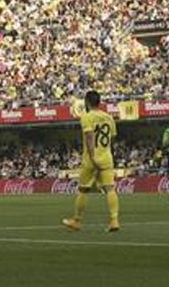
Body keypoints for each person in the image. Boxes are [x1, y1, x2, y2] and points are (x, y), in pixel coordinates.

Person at [62, 90, 120, 232]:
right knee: (110, 189)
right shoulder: (108, 117)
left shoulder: (86, 117)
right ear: (99, 102)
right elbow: (112, 137)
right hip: (106, 156)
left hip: (91, 158)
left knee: (83, 190)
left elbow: (89, 137)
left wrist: (93, 156)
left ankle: (76, 221)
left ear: (87, 102)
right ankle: (114, 220)